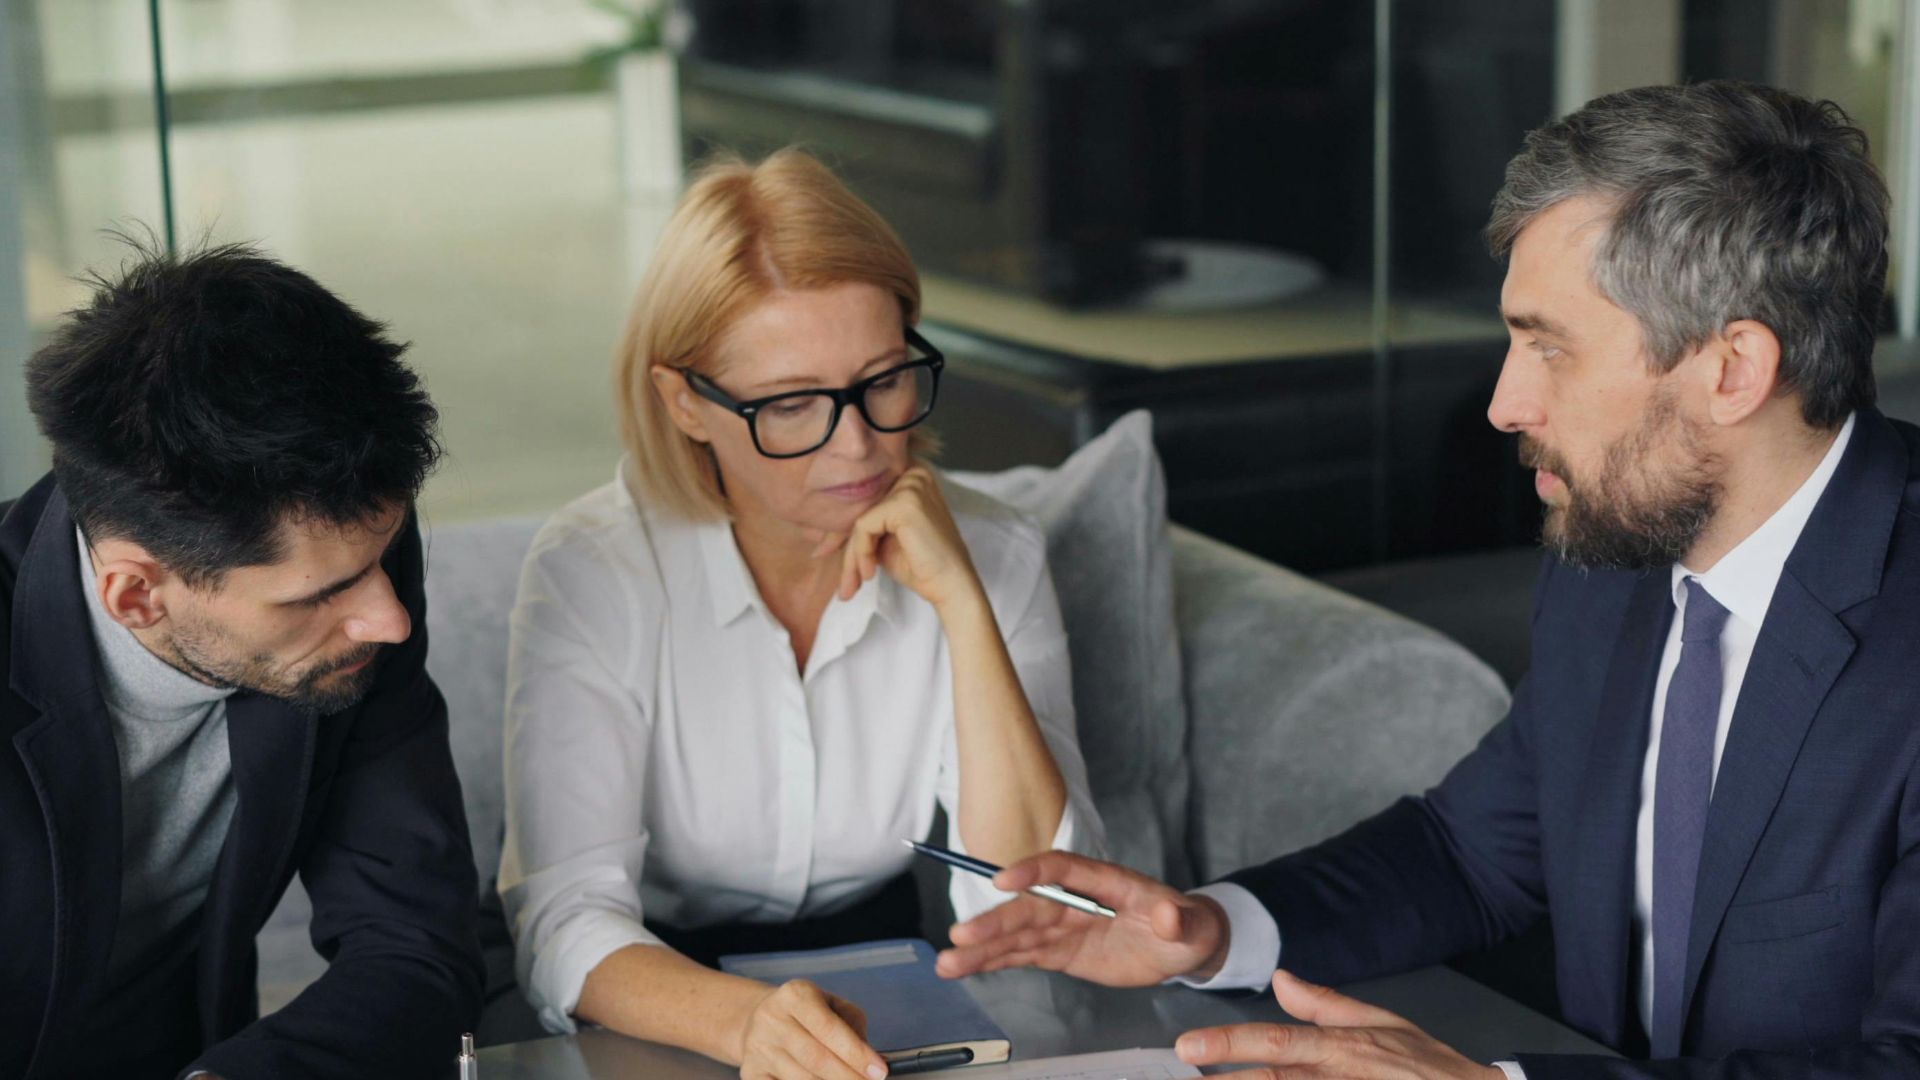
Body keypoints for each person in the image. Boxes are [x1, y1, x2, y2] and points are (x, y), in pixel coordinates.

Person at [935, 81, 1920, 1078]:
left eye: (1550, 347)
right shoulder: (1619, 561)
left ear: (1732, 371)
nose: (1503, 401)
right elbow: (1474, 852)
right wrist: (1215, 929)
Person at [496, 149, 1104, 1080]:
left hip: (894, 982)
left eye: (884, 380)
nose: (859, 444)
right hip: (654, 998)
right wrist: (747, 1025)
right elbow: (566, 918)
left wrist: (963, 610)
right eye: (791, 404)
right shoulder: (596, 571)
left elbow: (1031, 909)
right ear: (685, 403)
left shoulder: (996, 550)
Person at [1, 242, 483, 1079]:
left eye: (383, 558)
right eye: (316, 594)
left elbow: (414, 945)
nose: (390, 620)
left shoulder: (352, 592)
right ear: (137, 595)